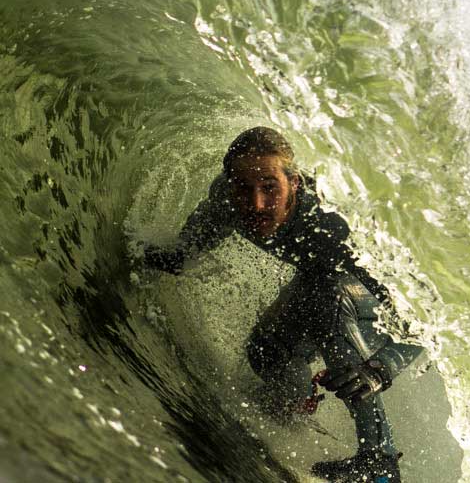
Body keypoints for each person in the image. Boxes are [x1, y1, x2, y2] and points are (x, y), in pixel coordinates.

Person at [141, 126, 422, 483]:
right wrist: (150, 256)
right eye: (243, 188)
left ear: (295, 185)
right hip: (320, 285)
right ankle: (296, 414)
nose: (256, 204)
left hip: (371, 301)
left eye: (270, 188)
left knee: (329, 299)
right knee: (267, 351)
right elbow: (187, 250)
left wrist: (379, 370)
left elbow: (421, 324)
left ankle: (379, 461)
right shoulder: (228, 201)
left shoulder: (335, 224)